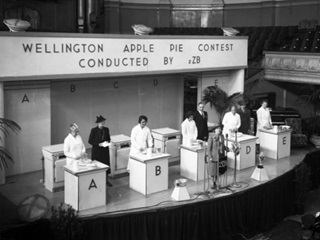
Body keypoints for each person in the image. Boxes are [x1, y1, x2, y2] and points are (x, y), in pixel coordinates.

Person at [88, 115, 112, 187]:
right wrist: (98, 144)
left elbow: (108, 138)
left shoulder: (106, 129)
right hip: (97, 151)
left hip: (104, 150)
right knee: (97, 166)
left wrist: (107, 142)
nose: (102, 123)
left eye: (103, 122)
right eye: (100, 122)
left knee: (106, 165)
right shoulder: (93, 130)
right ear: (97, 123)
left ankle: (106, 181)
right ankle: (97, 181)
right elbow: (90, 141)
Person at [207, 125, 226, 190]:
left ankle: (217, 182)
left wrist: (228, 149)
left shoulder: (222, 136)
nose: (219, 130)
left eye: (220, 128)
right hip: (213, 156)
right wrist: (210, 157)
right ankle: (212, 182)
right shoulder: (211, 137)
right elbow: (208, 149)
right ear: (214, 130)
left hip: (220, 157)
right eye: (217, 129)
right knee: (212, 171)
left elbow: (223, 146)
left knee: (218, 171)